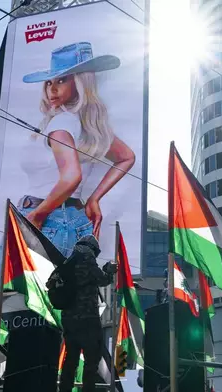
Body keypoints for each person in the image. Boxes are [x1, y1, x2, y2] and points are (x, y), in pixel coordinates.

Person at [19, 42, 135, 256]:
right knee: (66, 289)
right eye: (49, 82)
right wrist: (94, 199)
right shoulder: (87, 125)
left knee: (18, 288)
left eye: (62, 80)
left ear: (81, 82)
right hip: (75, 220)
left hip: (46, 219)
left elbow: (72, 176)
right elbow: (126, 157)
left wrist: (37, 215)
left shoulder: (61, 122)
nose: (52, 89)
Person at [58, 235, 117, 392]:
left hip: (68, 319)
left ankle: (64, 388)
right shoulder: (87, 258)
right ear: (93, 249)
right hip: (87, 318)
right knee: (92, 360)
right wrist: (109, 271)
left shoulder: (68, 261)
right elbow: (101, 279)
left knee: (71, 358)